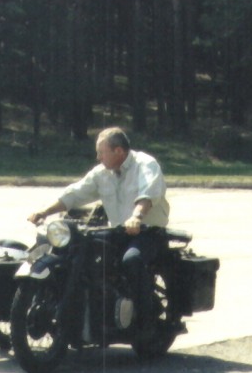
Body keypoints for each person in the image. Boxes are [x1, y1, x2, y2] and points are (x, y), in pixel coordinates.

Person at [27, 127, 170, 334]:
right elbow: (75, 193)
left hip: (146, 232)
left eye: (101, 152)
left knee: (132, 260)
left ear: (119, 151)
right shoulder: (102, 173)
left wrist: (136, 217)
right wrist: (45, 211)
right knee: (79, 254)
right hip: (118, 232)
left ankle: (145, 320)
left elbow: (149, 193)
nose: (98, 157)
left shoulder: (145, 164)